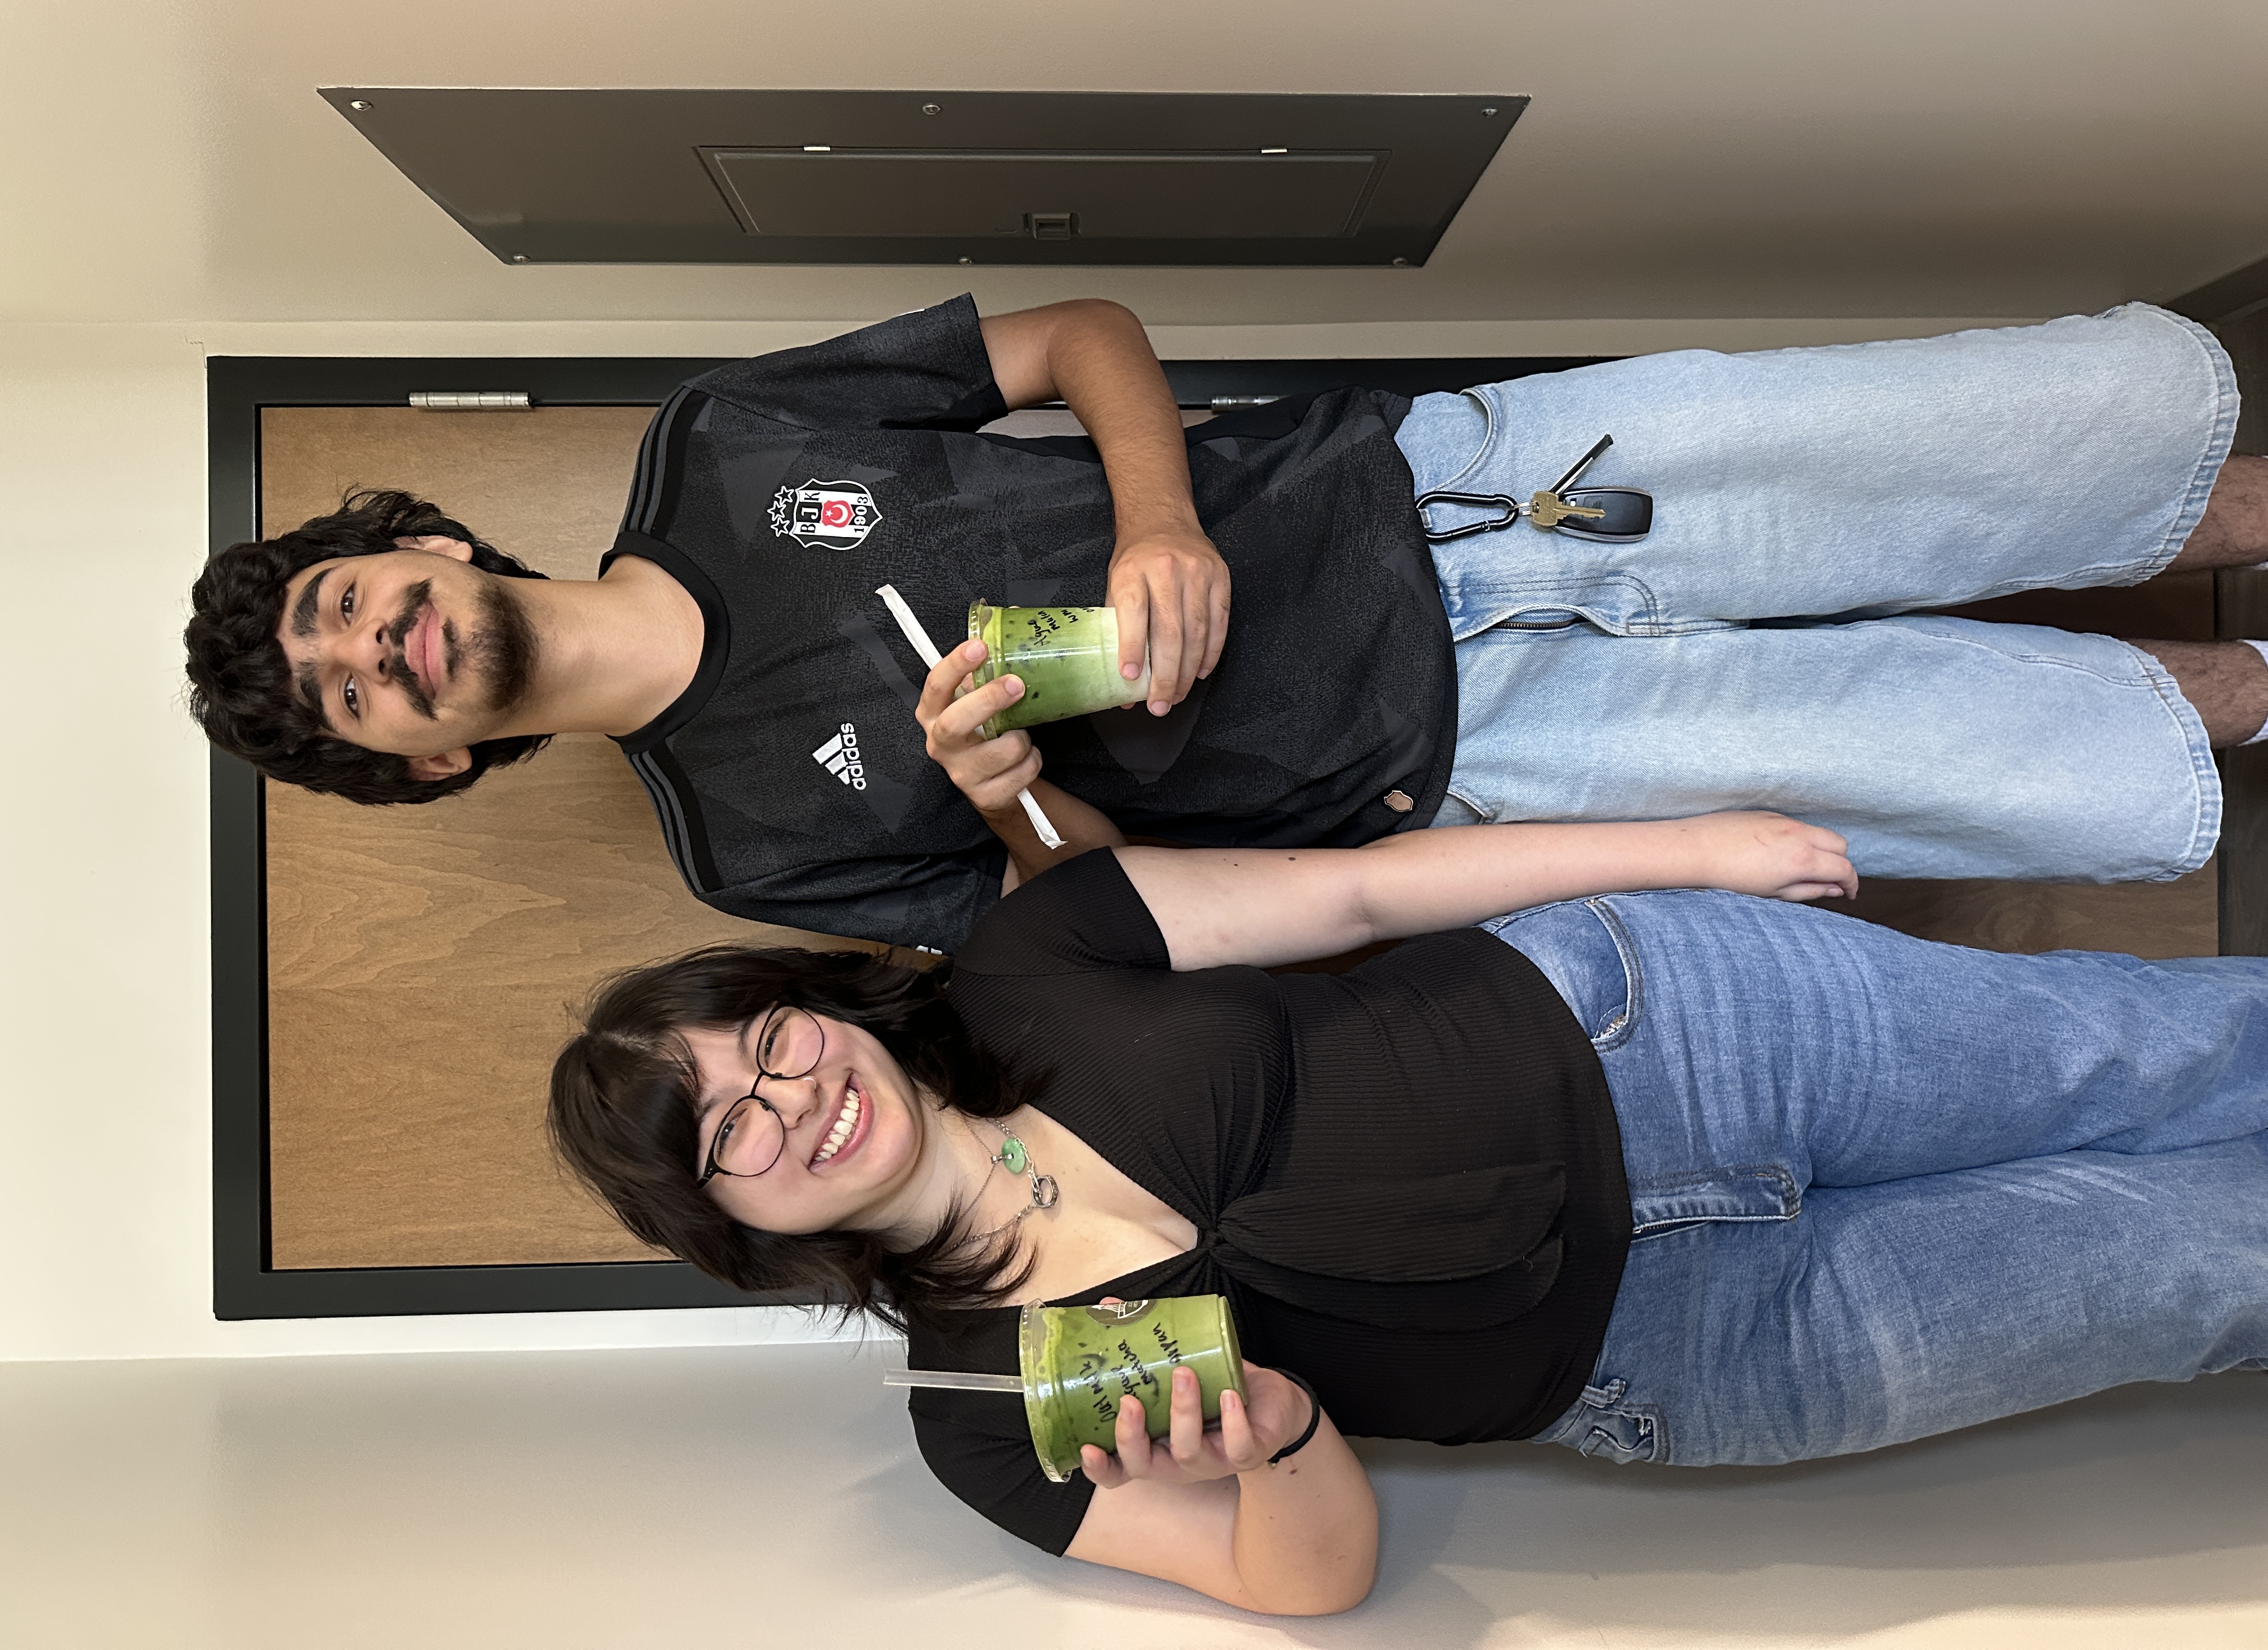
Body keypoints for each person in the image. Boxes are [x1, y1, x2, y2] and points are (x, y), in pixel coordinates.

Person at [546, 792, 2268, 1615]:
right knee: (2196, 1273)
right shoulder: (982, 1421)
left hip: (1678, 1033)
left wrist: (1695, 847)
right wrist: (1276, 1443)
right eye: (727, 1136)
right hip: (1703, 1354)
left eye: (765, 1042)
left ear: (814, 1001)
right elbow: (1312, 1588)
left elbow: (1363, 887)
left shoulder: (1033, 956)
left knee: (2150, 1049)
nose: (788, 1099)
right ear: (731, 1228)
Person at [185, 295, 2268, 953]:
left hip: (1453, 484)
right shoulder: (747, 849)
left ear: (428, 548)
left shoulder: (726, 435)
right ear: (426, 755)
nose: (379, 646)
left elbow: (1084, 333)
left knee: (2029, 452)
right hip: (1478, 767)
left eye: (357, 602)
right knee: (2006, 743)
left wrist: (1162, 519)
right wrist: (1012, 806)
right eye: (352, 695)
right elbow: (1120, 922)